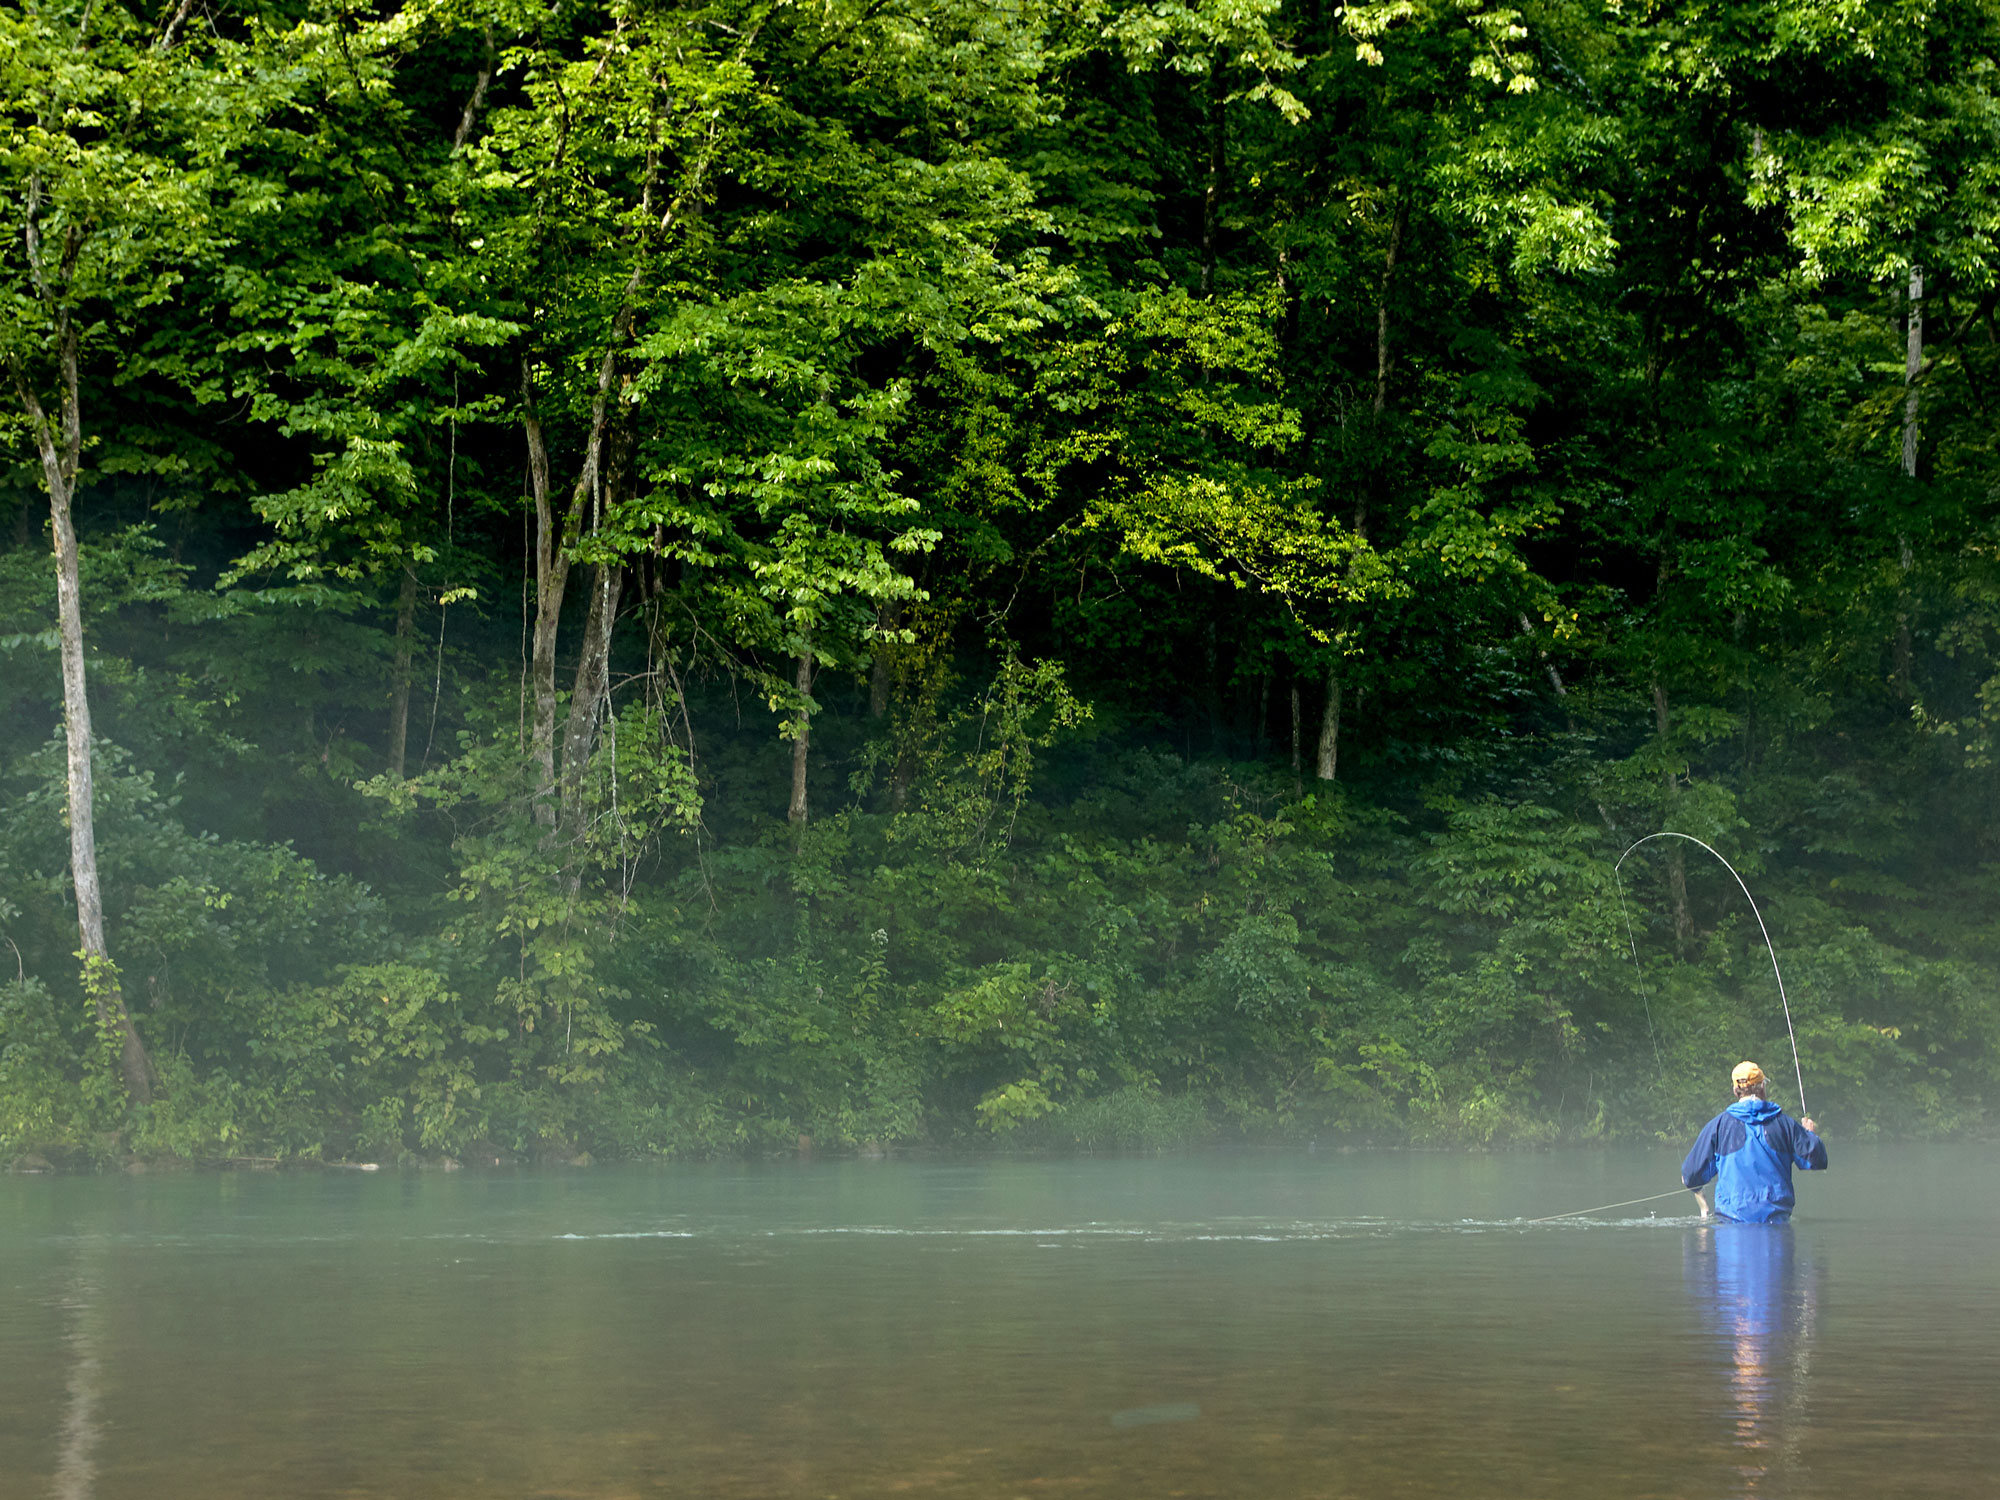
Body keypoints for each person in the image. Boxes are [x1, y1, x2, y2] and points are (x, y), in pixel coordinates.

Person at [1681, 1061, 1827, 1223]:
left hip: (1732, 1226)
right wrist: (1810, 1134)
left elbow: (1690, 1176)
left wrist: (1699, 1195)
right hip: (1777, 1223)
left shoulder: (1718, 1126)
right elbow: (1817, 1160)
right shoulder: (1785, 1124)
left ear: (1735, 1090)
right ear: (1762, 1087)